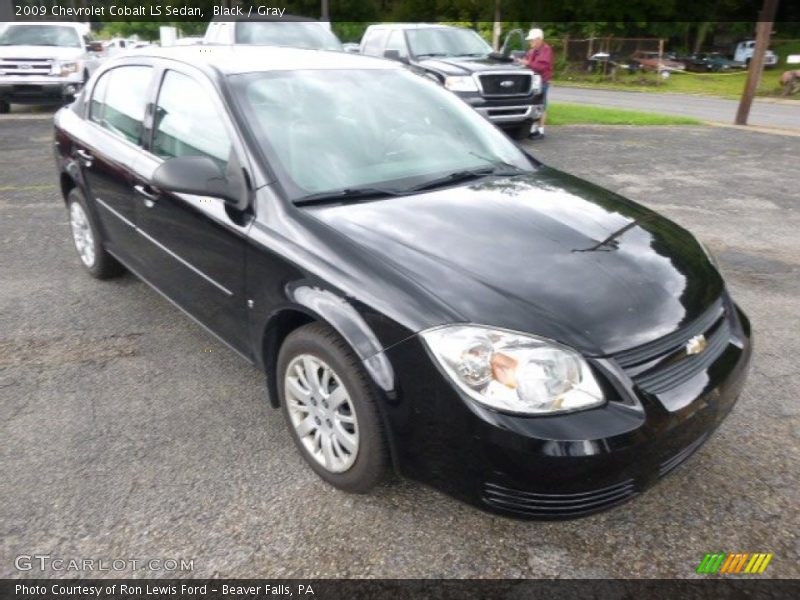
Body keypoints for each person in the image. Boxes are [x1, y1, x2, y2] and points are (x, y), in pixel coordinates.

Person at [518, 28, 553, 139]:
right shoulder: (532, 51)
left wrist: (527, 63)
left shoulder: (546, 50)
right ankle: (532, 129)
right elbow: (527, 60)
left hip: (542, 82)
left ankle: (541, 131)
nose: (530, 42)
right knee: (533, 105)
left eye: (532, 40)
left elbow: (540, 67)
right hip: (533, 82)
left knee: (541, 105)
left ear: (539, 39)